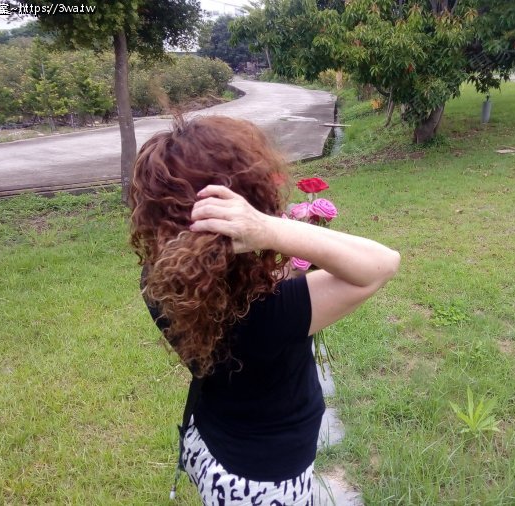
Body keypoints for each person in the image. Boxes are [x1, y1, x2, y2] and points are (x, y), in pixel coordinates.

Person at [129, 116, 400, 505]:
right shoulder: (269, 313)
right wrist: (271, 229)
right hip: (268, 478)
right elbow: (383, 263)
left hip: (215, 442)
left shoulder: (158, 278)